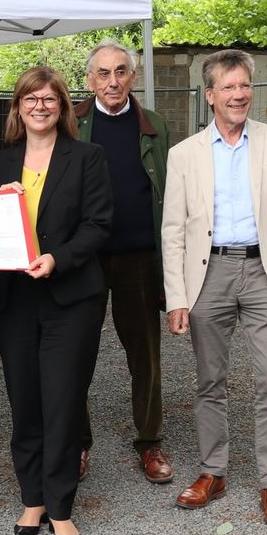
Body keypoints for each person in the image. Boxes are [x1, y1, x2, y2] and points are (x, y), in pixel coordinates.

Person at [161, 49, 267, 528]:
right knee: (209, 381)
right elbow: (174, 231)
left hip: (264, 272)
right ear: (210, 96)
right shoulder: (184, 154)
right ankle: (213, 471)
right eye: (228, 86)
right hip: (209, 276)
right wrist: (177, 297)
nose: (239, 94)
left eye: (244, 85)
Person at [0, 66, 112, 535]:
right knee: (24, 399)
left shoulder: (88, 158)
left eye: (49, 98)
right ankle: (31, 497)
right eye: (30, 98)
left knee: (62, 399)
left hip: (70, 297)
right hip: (15, 298)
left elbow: (99, 226)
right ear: (17, 107)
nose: (39, 105)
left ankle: (60, 506)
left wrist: (58, 258)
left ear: (62, 106)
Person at [73, 40, 173, 485]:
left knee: (145, 355)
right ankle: (76, 442)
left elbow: (170, 194)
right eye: (103, 73)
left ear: (133, 77)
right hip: (85, 259)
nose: (112, 81)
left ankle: (149, 442)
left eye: (121, 72)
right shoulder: (72, 124)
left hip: (139, 258)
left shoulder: (156, 126)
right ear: (90, 79)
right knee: (75, 353)